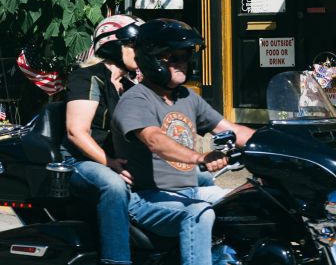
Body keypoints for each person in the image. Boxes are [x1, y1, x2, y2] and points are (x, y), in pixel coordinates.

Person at [111, 19, 255, 265]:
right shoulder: (136, 99)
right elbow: (154, 139)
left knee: (254, 200)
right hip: (148, 198)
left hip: (191, 191)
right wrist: (199, 157)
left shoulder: (186, 97)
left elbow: (230, 129)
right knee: (198, 213)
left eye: (186, 57)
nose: (183, 64)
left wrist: (278, 146)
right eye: (174, 57)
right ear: (152, 58)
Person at [62, 13, 143, 265]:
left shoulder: (130, 86)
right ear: (112, 45)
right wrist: (110, 163)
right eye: (134, 45)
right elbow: (76, 131)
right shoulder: (87, 77)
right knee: (113, 186)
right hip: (81, 162)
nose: (140, 51)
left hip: (113, 158)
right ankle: (116, 260)